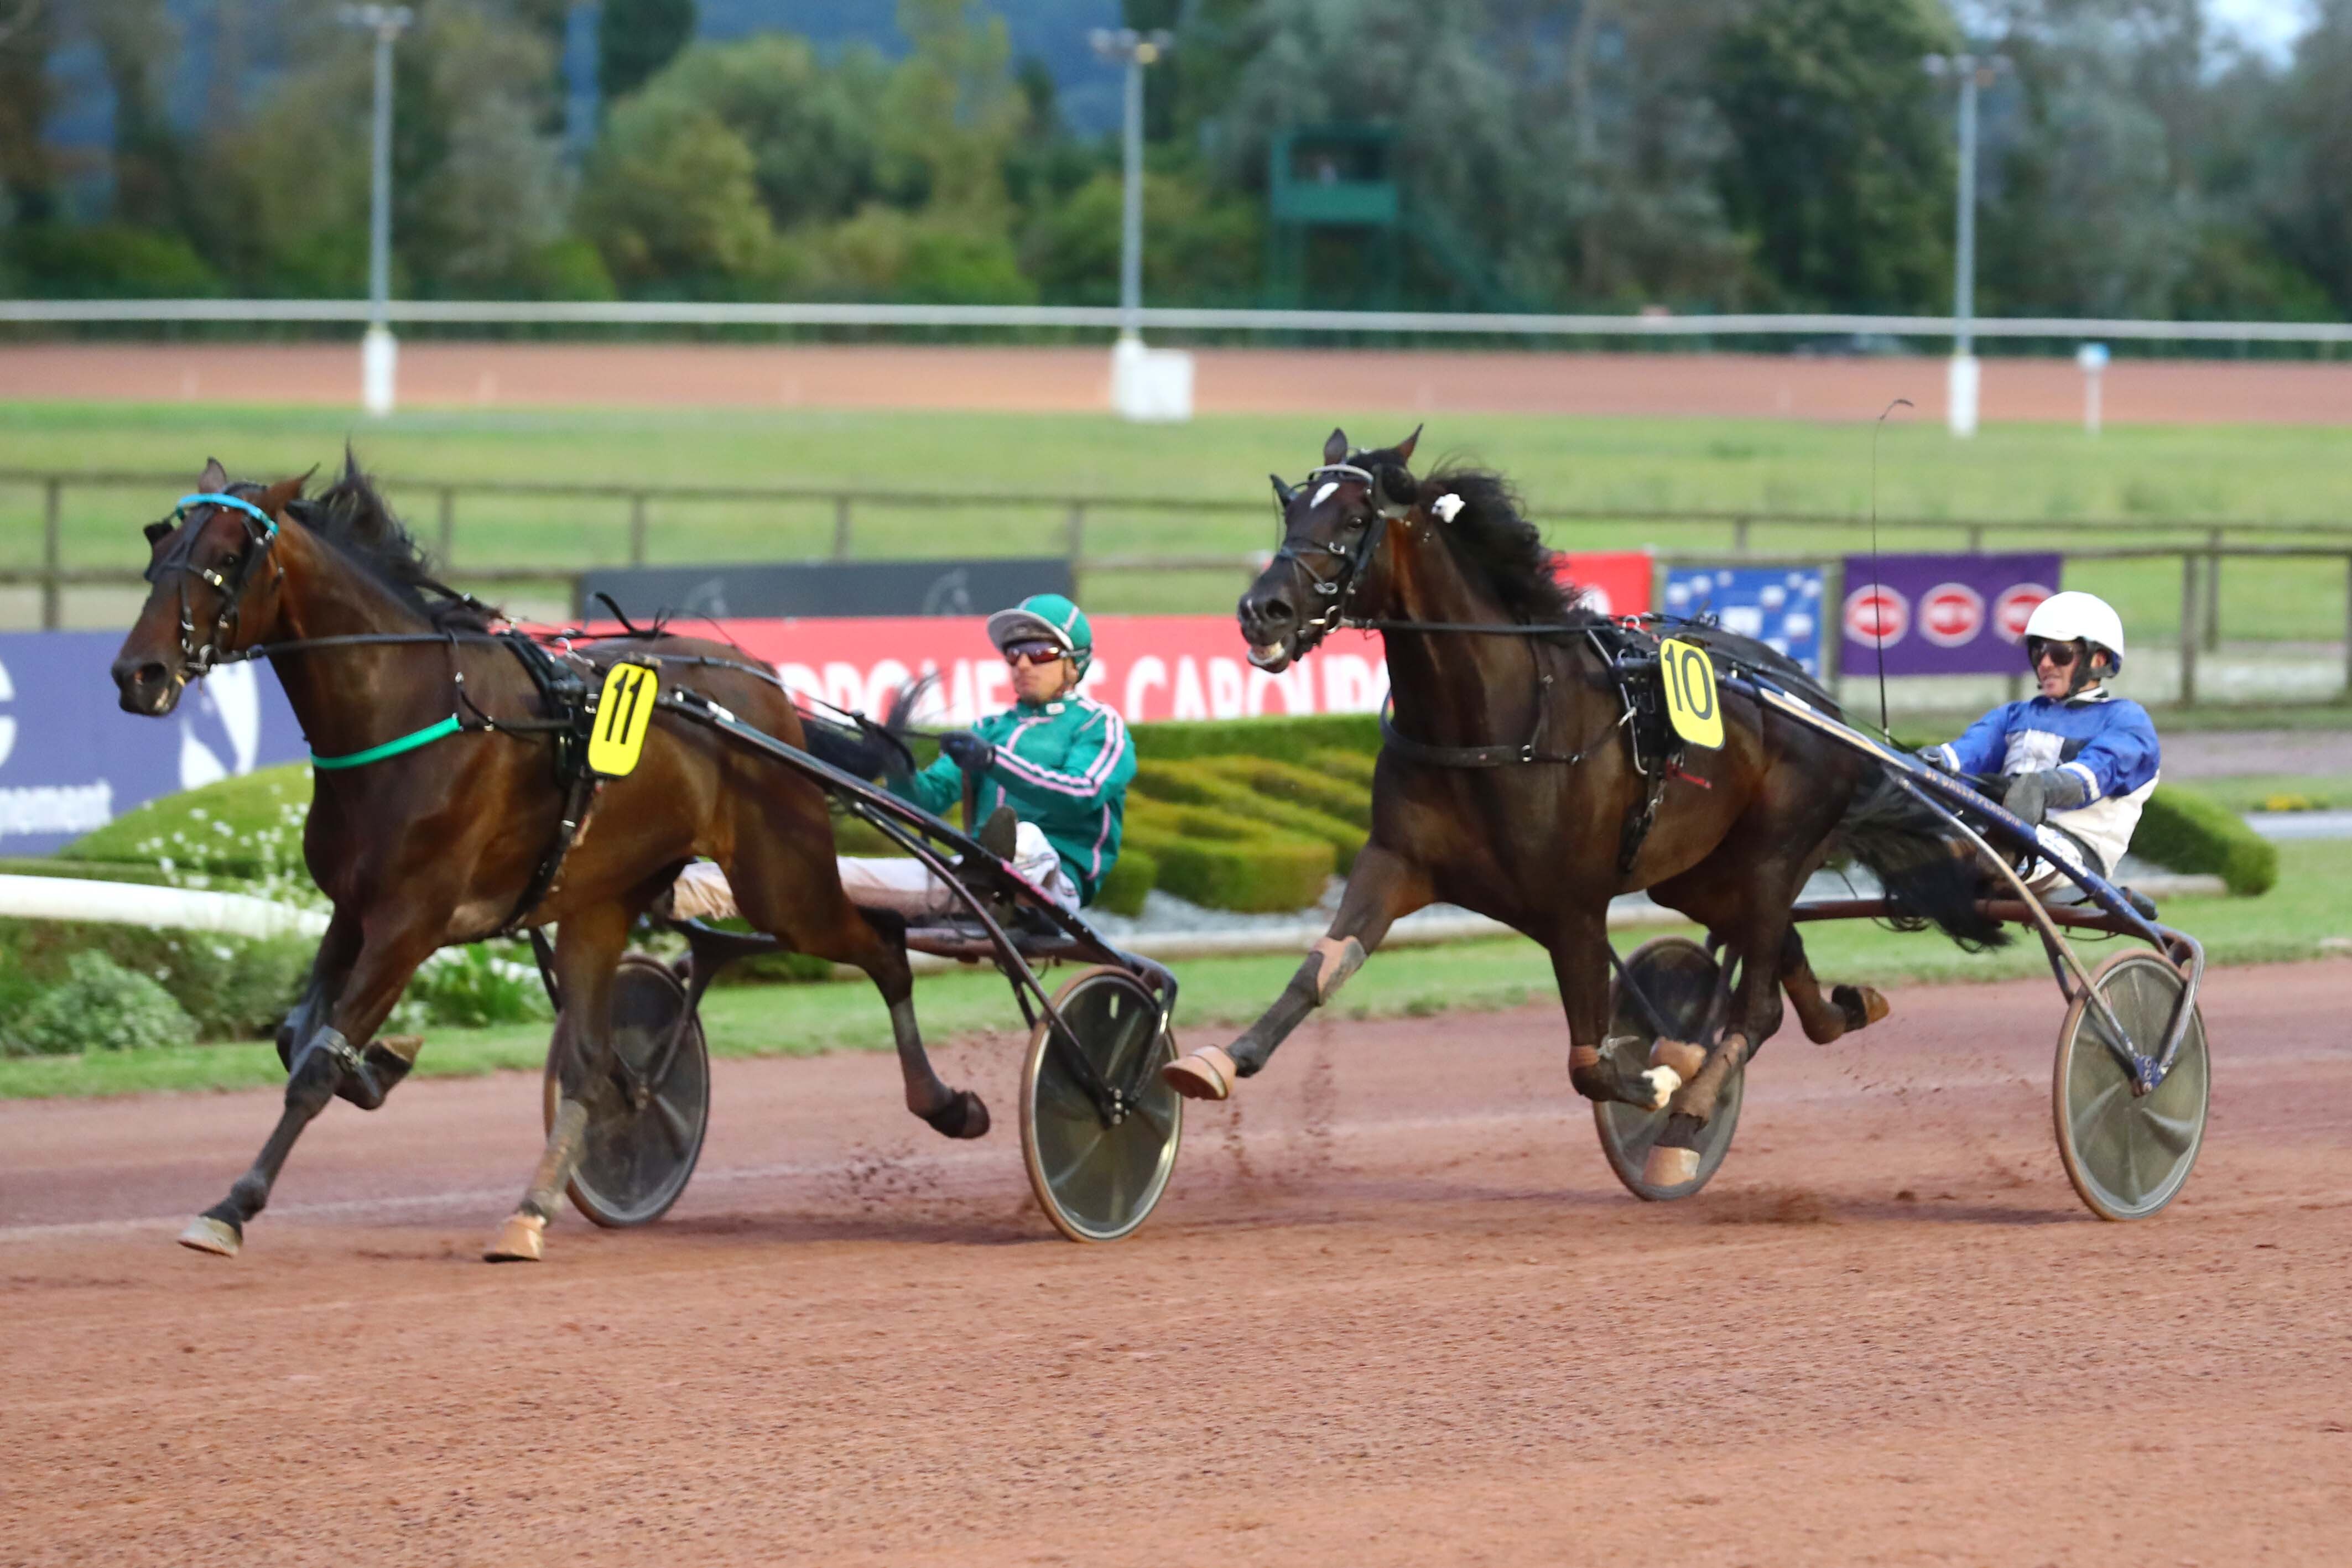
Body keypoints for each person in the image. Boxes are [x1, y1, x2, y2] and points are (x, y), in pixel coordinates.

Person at [668, 593, 1135, 921]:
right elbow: (928, 803)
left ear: (1074, 663)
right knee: (828, 870)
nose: (1023, 663)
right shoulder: (990, 728)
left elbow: (1082, 793)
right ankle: (675, 894)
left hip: (1057, 889)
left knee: (1028, 837)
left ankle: (999, 873)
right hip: (967, 885)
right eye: (1014, 653)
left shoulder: (1100, 725)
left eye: (1040, 651)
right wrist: (898, 767)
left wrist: (992, 762)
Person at [1918, 590, 2160, 888]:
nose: (2045, 663)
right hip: (2003, 832)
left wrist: (2030, 788)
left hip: (2076, 854)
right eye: (2038, 652)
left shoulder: (2126, 720)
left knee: (1975, 843)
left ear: (2098, 659)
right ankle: (1987, 855)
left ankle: (1993, 857)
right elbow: (1966, 755)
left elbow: (2091, 775)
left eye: (2060, 654)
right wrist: (1928, 763)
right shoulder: (2014, 716)